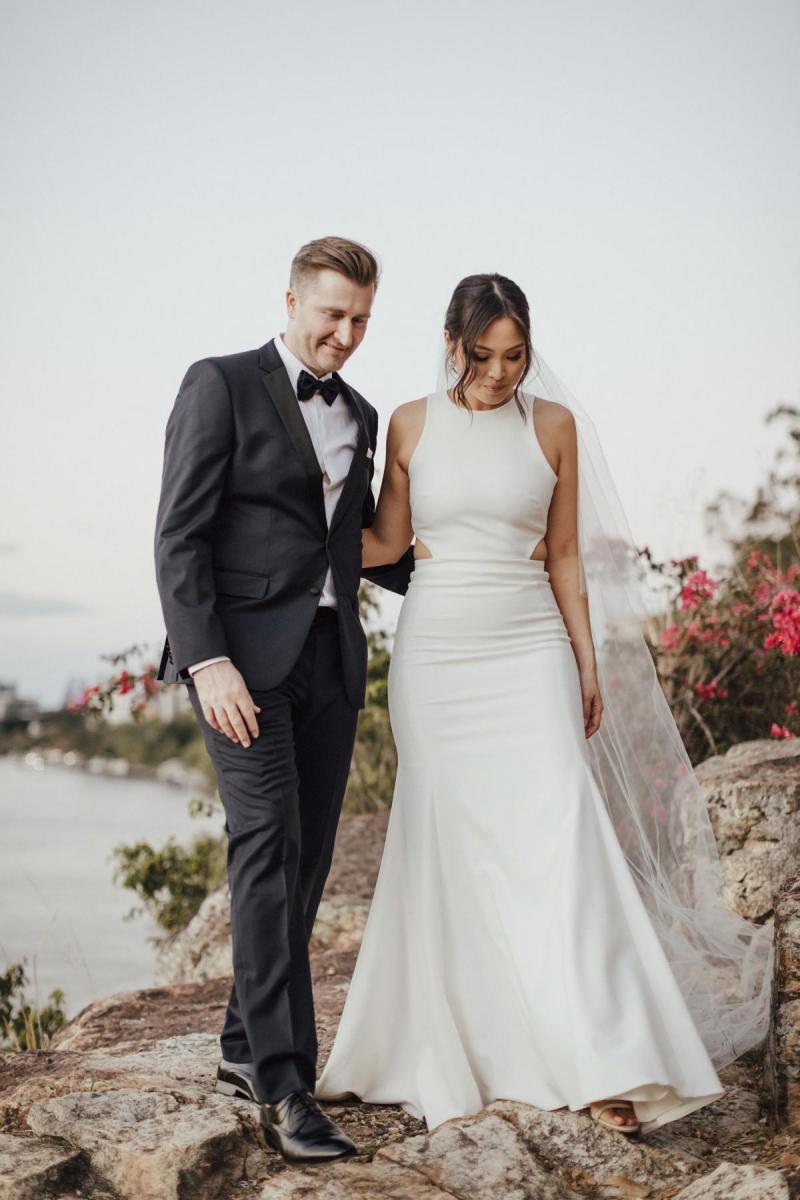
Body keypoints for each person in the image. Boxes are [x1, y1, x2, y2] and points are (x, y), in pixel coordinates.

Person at [314, 273, 774, 1135]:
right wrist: (305, 514)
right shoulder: (411, 423)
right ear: (452, 342)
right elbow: (384, 543)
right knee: (445, 840)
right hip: (439, 651)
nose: (499, 373)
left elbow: (564, 555)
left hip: (529, 647)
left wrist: (585, 662)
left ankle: (604, 1057)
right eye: (483, 355)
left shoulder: (552, 426)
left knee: (562, 833)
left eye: (515, 354)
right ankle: (457, 1047)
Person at [154, 236, 414, 1164]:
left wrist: (490, 573)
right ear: (293, 300)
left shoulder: (367, 414)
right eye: (332, 314)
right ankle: (285, 1082)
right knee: (266, 843)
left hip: (333, 664)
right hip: (242, 668)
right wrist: (206, 660)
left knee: (303, 865)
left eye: (362, 320)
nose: (346, 335)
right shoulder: (218, 384)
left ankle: (237, 1046)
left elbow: (364, 549)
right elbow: (178, 536)